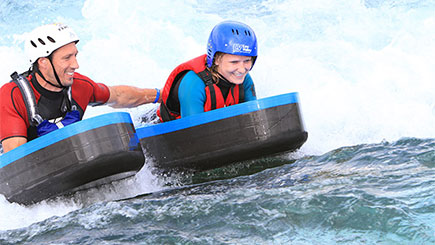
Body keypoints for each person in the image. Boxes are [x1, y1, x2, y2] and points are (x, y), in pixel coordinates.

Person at [0, 23, 161, 153]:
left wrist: (161, 95)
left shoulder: (79, 85)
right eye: (67, 58)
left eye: (75, 56)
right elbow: (16, 160)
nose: (75, 65)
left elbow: (118, 96)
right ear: (43, 62)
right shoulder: (12, 97)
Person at [157, 20, 258, 122]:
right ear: (217, 59)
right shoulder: (193, 83)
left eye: (247, 61)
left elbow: (254, 117)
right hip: (162, 128)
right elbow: (192, 131)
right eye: (234, 62)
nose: (241, 69)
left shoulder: (244, 79)